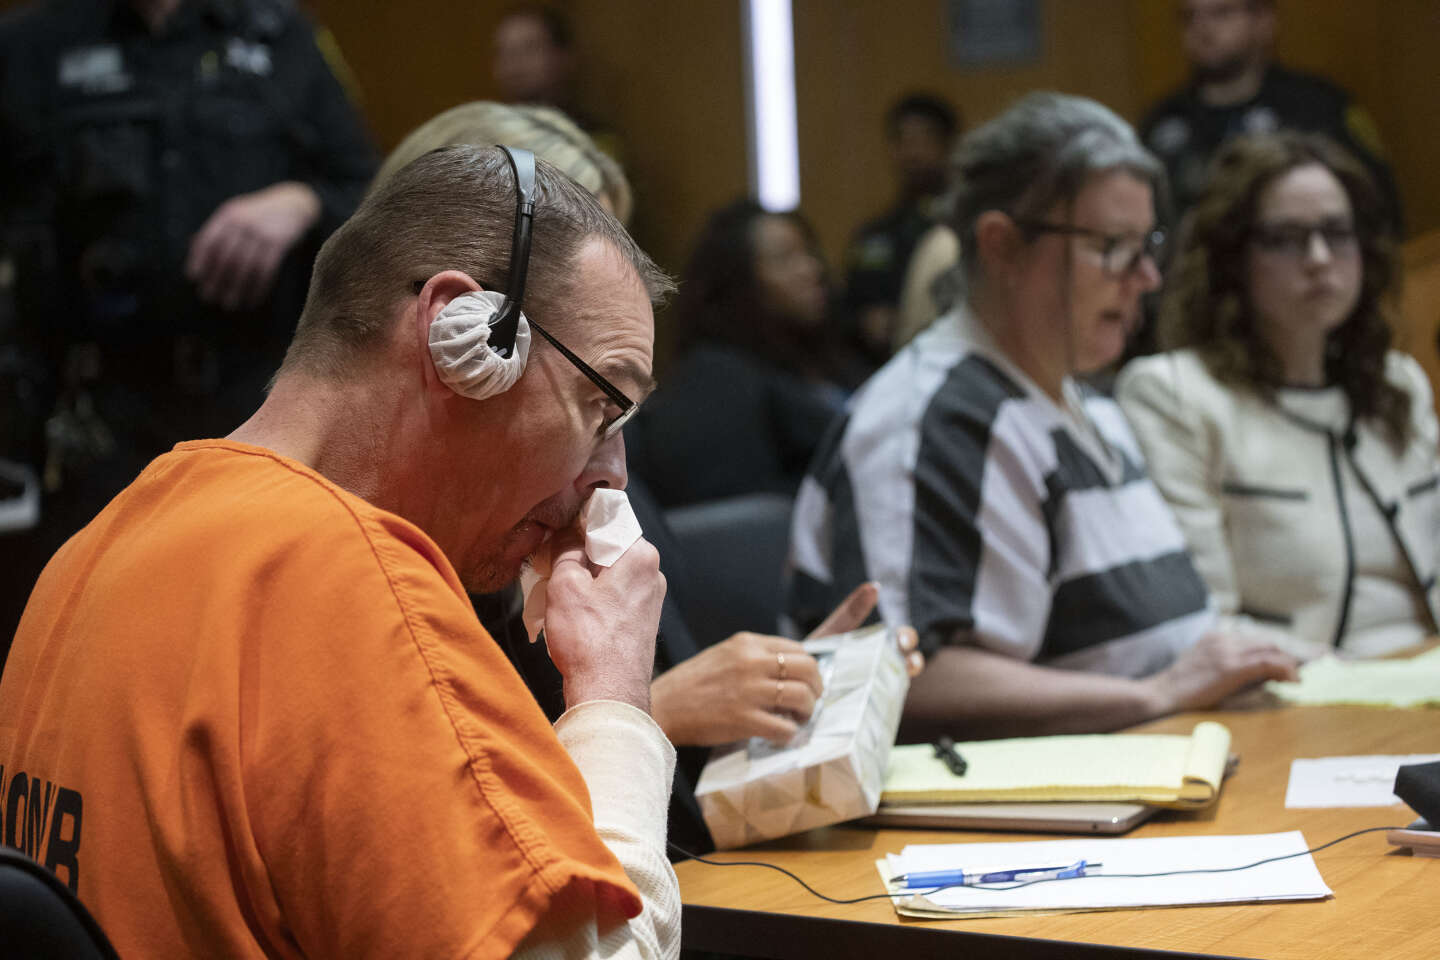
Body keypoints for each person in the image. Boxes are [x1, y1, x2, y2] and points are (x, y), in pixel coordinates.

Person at [0, 145, 682, 958]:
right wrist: (613, 697)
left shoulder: (95, 547)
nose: (611, 475)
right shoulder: (355, 594)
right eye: (601, 403)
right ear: (463, 334)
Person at [372, 104, 923, 856]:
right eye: (571, 269)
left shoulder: (590, 472)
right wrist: (657, 707)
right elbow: (457, 826)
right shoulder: (417, 533)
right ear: (466, 333)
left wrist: (792, 685)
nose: (611, 468)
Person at [787, 92, 1299, 742]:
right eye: (1112, 246)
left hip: (1168, 759)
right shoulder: (928, 421)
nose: (1147, 276)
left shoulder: (1094, 409)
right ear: (1003, 246)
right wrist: (1158, 694)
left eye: (1148, 245)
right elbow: (901, 671)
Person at [0, 0, 377, 652]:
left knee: (258, 634)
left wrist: (300, 201)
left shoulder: (279, 36)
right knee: (102, 642)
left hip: (255, 410)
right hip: (94, 424)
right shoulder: (33, 46)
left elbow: (371, 188)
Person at [1117, 132, 1440, 658]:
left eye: (1338, 233)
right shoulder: (1175, 395)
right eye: (1285, 239)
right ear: (1232, 257)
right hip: (1296, 686)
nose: (1319, 258)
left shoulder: (1396, 382)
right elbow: (1205, 623)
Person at [627, 200, 867, 509]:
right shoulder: (715, 376)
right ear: (737, 279)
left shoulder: (830, 359)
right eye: (786, 258)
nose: (812, 269)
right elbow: (733, 512)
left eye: (809, 252)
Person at [1140, 0, 1399, 231]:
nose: (1202, 28)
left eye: (1221, 13)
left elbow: (1376, 204)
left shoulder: (1316, 106)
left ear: (1264, 20)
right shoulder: (1162, 121)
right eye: (1189, 17)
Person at [843, 92, 960, 363]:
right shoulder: (874, 234)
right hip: (883, 363)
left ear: (948, 146)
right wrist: (864, 321)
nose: (912, 153)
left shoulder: (964, 229)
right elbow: (844, 306)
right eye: (903, 141)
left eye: (924, 140)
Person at [491, 3, 621, 162]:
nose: (514, 64)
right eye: (504, 52)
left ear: (564, 57)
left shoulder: (596, 143)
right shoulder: (487, 140)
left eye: (529, 49)